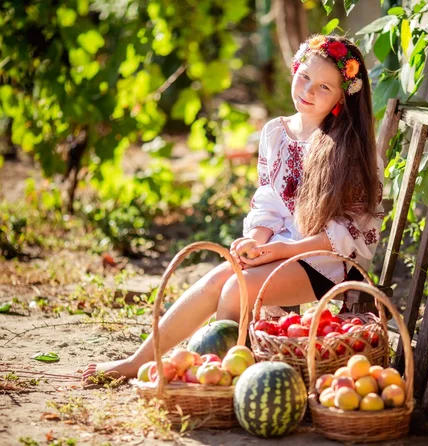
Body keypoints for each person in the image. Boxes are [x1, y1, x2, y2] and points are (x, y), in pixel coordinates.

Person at [82, 34, 385, 381]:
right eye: (304, 76)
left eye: (324, 87)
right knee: (214, 280)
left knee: (235, 289)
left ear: (342, 97)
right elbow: (268, 199)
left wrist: (287, 248)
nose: (308, 91)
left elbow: (354, 228)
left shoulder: (348, 148)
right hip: (279, 248)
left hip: (324, 259)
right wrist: (256, 240)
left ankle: (217, 380)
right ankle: (139, 361)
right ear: (295, 68)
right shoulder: (276, 132)